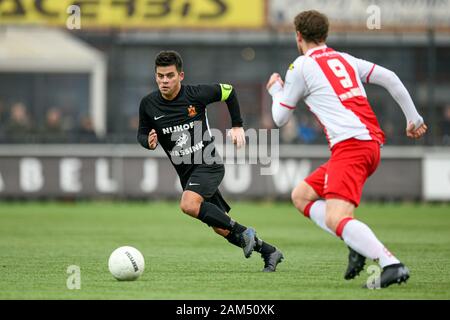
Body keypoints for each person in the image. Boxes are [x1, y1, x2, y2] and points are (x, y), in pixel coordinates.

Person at [266, 10, 427, 288]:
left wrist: (275, 91)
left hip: (351, 147)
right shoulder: (344, 59)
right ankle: (355, 242)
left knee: (336, 216)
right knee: (301, 196)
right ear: (325, 35)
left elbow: (280, 118)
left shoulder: (301, 65)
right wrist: (414, 118)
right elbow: (389, 77)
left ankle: (391, 264)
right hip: (368, 145)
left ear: (299, 36)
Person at [138, 51, 283, 272]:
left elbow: (229, 91)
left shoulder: (196, 94)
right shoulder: (148, 104)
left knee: (188, 205)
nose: (164, 81)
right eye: (160, 76)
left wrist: (237, 125)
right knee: (221, 227)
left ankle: (245, 232)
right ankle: (269, 252)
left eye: (169, 75)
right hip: (187, 174)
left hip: (208, 164)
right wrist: (147, 142)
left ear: (181, 75)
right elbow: (141, 134)